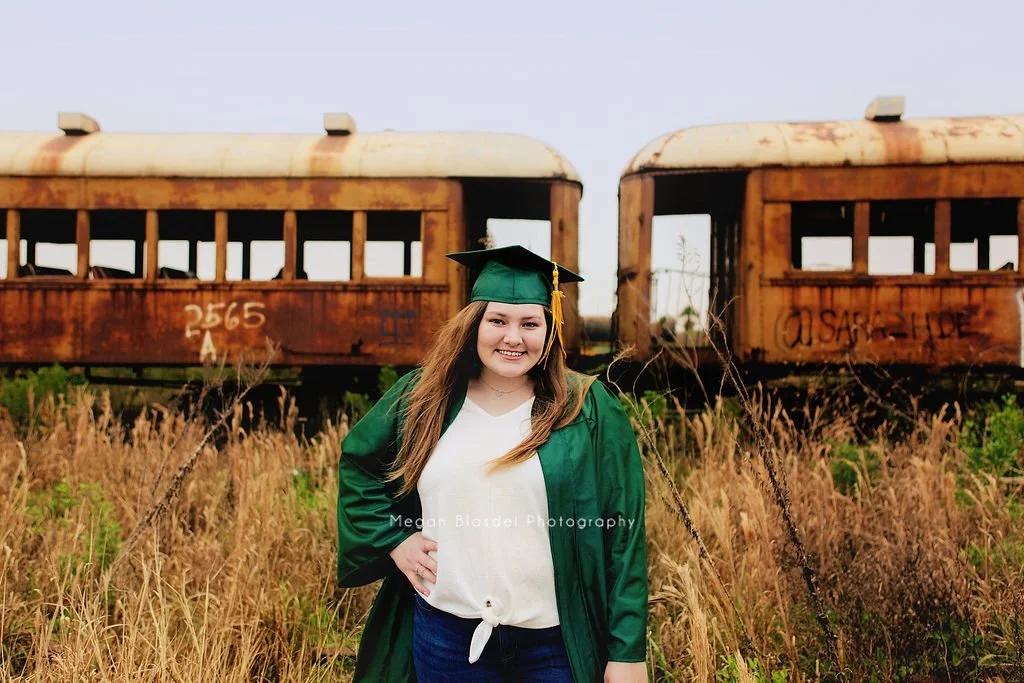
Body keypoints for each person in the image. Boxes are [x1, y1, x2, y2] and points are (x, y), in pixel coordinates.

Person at [336, 245, 648, 682]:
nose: (513, 338)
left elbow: (623, 533)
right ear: (473, 324)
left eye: (529, 323)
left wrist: (628, 652)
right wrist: (394, 539)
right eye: (497, 320)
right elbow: (360, 466)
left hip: (554, 644)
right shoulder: (423, 397)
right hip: (446, 637)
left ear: (550, 327)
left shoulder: (586, 407)